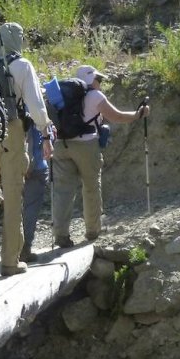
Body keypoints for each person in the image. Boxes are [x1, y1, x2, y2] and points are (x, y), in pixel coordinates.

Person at [0, 22, 54, 276]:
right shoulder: (22, 65)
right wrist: (46, 132)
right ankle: (10, 260)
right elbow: (36, 106)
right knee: (14, 193)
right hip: (13, 130)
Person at [51, 65, 150, 248]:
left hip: (60, 145)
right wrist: (138, 115)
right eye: (99, 79)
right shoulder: (95, 96)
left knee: (63, 191)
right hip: (86, 145)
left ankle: (61, 235)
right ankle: (93, 230)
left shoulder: (62, 95)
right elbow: (117, 117)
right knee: (91, 186)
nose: (100, 83)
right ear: (92, 79)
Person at [21, 125, 50, 262]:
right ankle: (24, 249)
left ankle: (12, 251)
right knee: (31, 209)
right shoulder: (34, 108)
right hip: (35, 166)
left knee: (16, 208)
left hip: (14, 165)